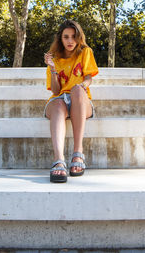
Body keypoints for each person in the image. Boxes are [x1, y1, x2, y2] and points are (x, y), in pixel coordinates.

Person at [44, 19, 98, 183]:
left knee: (76, 89)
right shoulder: (54, 59)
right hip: (59, 99)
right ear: (60, 38)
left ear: (79, 37)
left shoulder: (85, 52)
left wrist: (80, 87)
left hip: (80, 99)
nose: (70, 41)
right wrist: (53, 69)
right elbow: (55, 91)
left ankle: (78, 153)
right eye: (66, 37)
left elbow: (89, 78)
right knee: (59, 103)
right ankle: (59, 159)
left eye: (74, 37)